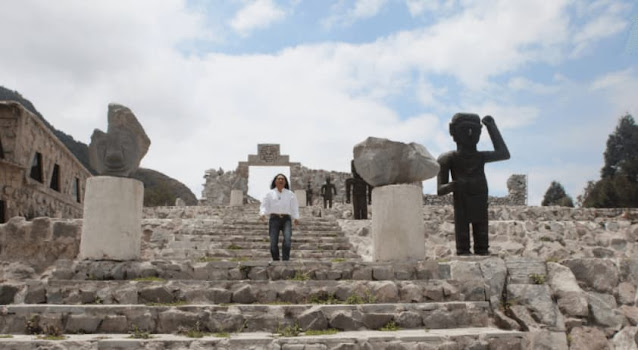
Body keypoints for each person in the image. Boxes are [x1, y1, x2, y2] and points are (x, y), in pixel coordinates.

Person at [437, 113, 509, 256]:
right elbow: (440, 189)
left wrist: (491, 127)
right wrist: (454, 185)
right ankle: (463, 252)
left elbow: (503, 154)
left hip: (480, 197)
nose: (470, 133)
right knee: (462, 241)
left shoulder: (480, 156)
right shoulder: (447, 158)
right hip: (462, 200)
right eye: (465, 129)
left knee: (482, 238)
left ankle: (481, 251)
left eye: (475, 130)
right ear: (453, 131)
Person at [259, 174, 299, 261]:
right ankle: (276, 259)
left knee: (287, 239)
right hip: (274, 219)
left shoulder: (290, 194)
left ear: (285, 182)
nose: (281, 180)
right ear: (275, 181)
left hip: (286, 219)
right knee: (273, 241)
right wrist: (262, 213)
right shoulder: (269, 194)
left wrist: (296, 217)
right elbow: (264, 205)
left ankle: (285, 259)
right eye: (279, 179)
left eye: (282, 179)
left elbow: (294, 207)